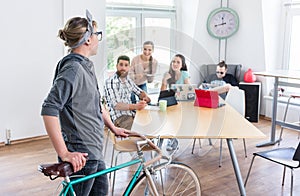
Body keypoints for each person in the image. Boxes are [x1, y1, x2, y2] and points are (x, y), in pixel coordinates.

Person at [41, 10, 129, 196]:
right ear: (88, 39)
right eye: (97, 34)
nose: (99, 38)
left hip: (94, 149)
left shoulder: (85, 65)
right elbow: (49, 108)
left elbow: (96, 102)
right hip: (81, 154)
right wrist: (65, 153)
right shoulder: (73, 68)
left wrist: (113, 127)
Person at [104, 55, 151, 130]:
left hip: (131, 114)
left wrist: (145, 97)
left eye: (126, 65)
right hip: (120, 118)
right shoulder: (111, 82)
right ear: (116, 66)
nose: (123, 68)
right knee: (140, 132)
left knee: (150, 125)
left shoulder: (128, 80)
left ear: (129, 67)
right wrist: (136, 106)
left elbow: (139, 92)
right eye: (121, 65)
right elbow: (117, 105)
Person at [160, 54, 191, 151]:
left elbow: (189, 91)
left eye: (178, 62)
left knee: (172, 118)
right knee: (163, 115)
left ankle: (172, 139)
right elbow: (162, 93)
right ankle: (164, 138)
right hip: (172, 102)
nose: (175, 64)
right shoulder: (168, 74)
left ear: (182, 65)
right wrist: (164, 80)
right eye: (173, 61)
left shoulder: (184, 74)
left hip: (183, 103)